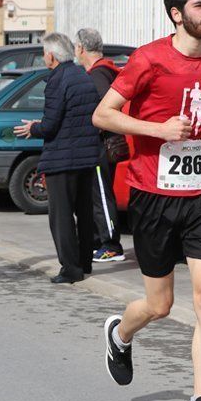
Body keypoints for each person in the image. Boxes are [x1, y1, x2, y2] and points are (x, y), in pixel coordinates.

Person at [93, 0, 201, 401]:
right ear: (178, 14)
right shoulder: (149, 59)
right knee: (160, 305)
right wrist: (157, 131)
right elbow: (104, 114)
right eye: (200, 5)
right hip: (154, 195)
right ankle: (120, 334)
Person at [13, 33, 100, 284]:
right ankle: (85, 263)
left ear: (50, 55)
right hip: (85, 157)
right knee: (83, 213)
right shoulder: (83, 76)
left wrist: (34, 128)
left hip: (62, 158)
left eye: (44, 52)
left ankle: (70, 269)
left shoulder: (57, 80)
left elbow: (50, 125)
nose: (44, 56)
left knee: (61, 216)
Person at [75, 28, 127, 264]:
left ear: (80, 49)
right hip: (104, 144)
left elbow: (105, 110)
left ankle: (111, 244)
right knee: (96, 195)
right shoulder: (105, 71)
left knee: (101, 196)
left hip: (100, 146)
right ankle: (98, 240)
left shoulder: (98, 76)